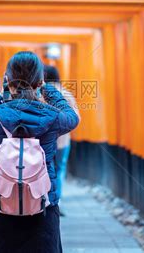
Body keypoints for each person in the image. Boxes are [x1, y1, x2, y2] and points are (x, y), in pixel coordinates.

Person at [0, 51, 79, 253]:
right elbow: (72, 117)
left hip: (0, 203)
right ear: (39, 82)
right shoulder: (53, 117)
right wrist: (48, 90)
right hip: (43, 202)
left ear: (8, 79)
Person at [44, 65, 79, 209]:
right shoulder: (66, 94)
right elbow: (75, 117)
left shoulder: (41, 93)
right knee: (60, 169)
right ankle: (57, 200)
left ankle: (45, 198)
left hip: (45, 140)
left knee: (45, 169)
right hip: (63, 141)